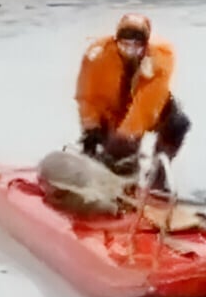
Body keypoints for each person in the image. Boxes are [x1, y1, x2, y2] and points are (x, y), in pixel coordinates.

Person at [74, 13, 191, 190]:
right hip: (109, 110)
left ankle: (157, 180)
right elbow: (87, 95)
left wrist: (126, 136)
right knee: (114, 161)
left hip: (145, 108)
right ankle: (105, 181)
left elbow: (149, 101)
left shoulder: (161, 56)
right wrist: (91, 126)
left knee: (178, 124)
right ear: (116, 41)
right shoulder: (96, 55)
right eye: (125, 45)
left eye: (137, 45)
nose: (131, 50)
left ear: (146, 44)